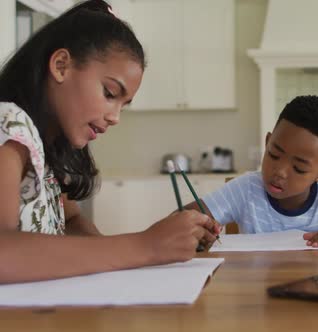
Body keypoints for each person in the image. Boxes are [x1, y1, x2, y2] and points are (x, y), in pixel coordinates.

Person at [0, 0, 219, 284]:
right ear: (61, 65)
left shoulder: (47, 147)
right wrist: (144, 246)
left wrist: (157, 244)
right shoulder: (9, 126)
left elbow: (73, 222)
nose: (115, 117)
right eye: (110, 92)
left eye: (124, 105)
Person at [196, 95, 318, 247]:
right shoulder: (245, 190)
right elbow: (182, 217)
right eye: (273, 154)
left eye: (298, 168)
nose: (280, 172)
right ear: (267, 142)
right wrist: (198, 230)